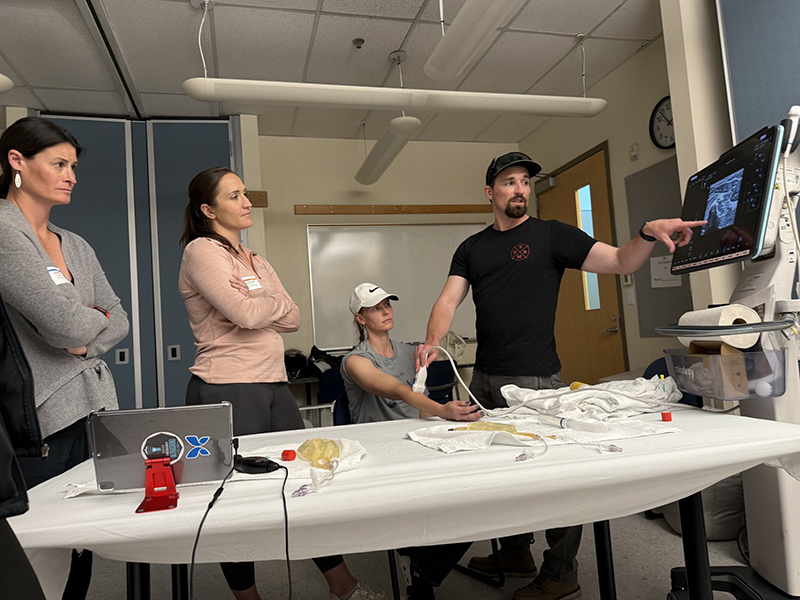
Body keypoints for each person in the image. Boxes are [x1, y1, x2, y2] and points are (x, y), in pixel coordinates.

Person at [413, 151, 705, 600]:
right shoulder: (472, 248)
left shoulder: (552, 235)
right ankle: (516, 552)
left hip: (537, 382)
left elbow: (620, 262)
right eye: (509, 182)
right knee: (500, 473)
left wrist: (647, 233)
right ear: (490, 192)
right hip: (485, 378)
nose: (520, 189)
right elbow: (449, 300)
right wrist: (432, 341)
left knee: (554, 480)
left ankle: (561, 573)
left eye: (525, 182)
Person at [178, 166, 385, 600]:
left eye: (245, 193)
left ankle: (342, 585)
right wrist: (262, 304)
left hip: (273, 383)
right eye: (234, 196)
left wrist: (259, 302)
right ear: (208, 210)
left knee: (304, 480)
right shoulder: (202, 251)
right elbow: (247, 314)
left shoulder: (254, 258)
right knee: (237, 500)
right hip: (228, 385)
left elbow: (293, 317)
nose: (246, 202)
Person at [0, 116, 130, 599]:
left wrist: (81, 336)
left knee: (79, 550)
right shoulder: (4, 231)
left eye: (73, 166)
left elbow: (119, 317)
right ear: (17, 161)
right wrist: (85, 324)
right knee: (39, 565)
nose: (71, 176)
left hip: (94, 412)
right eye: (58, 164)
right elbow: (68, 326)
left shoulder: (74, 243)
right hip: (40, 424)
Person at [341, 282, 479, 600]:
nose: (385, 311)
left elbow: (420, 409)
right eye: (375, 308)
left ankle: (421, 567)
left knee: (475, 493)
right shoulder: (354, 361)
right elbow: (397, 390)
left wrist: (447, 425)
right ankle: (421, 570)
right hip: (381, 452)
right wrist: (444, 409)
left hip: (417, 443)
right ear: (360, 318)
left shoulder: (411, 353)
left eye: (387, 304)